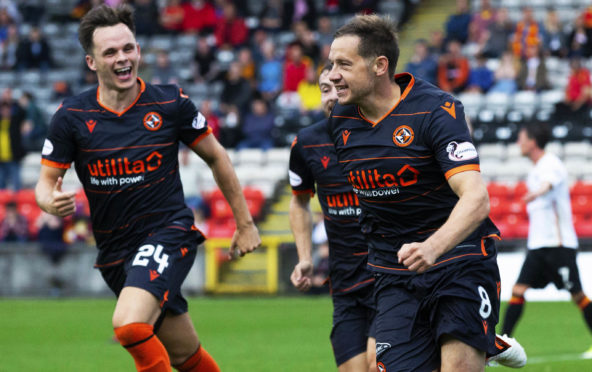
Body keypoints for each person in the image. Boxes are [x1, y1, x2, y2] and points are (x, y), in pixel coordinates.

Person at [35, 5, 260, 372]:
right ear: (92, 62)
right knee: (186, 355)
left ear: (138, 50)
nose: (122, 58)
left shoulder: (170, 103)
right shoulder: (71, 118)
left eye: (128, 48)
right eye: (110, 52)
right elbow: (44, 185)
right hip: (114, 253)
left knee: (129, 325)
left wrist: (245, 223)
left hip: (167, 233)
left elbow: (217, 157)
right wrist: (50, 202)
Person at [325, 14, 525, 370]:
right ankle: (486, 339)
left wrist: (433, 246)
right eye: (330, 65)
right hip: (395, 273)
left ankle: (476, 335)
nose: (331, 75)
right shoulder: (339, 123)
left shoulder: (436, 111)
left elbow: (476, 198)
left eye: (343, 64)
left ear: (379, 66)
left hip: (459, 260)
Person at [289, 64, 377, 372]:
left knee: (375, 362)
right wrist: (304, 257)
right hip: (345, 284)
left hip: (389, 278)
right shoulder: (307, 142)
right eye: (324, 89)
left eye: (337, 88)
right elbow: (299, 202)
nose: (331, 96)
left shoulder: (381, 135)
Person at [501, 123, 592, 352]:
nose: (518, 143)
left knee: (578, 296)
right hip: (538, 245)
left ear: (532, 141)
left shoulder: (550, 164)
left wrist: (538, 192)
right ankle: (501, 345)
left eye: (521, 138)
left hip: (558, 245)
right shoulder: (535, 169)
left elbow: (549, 183)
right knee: (518, 290)